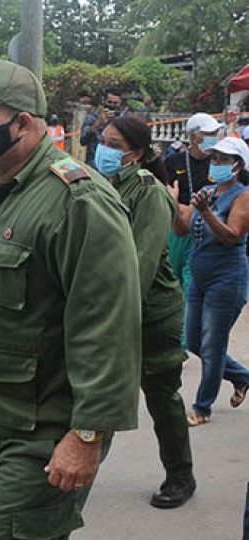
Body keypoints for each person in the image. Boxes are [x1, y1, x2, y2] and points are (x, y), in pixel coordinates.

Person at [0, 58, 142, 538]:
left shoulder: (78, 201)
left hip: (45, 431)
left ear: (23, 123)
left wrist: (87, 434)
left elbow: (107, 324)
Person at [93, 115, 196, 508]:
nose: (104, 150)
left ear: (135, 154)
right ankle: (79, 472)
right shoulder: (101, 187)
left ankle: (181, 476)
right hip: (111, 307)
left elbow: (140, 263)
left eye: (114, 145)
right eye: (102, 141)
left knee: (161, 397)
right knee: (101, 393)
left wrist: (105, 319)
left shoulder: (150, 193)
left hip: (150, 313)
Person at [170, 136, 249, 426]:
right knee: (193, 341)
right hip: (200, 278)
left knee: (213, 346)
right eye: (213, 158)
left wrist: (205, 212)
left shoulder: (243, 196)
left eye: (222, 160)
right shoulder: (205, 191)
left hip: (227, 279)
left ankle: (202, 407)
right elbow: (180, 230)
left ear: (238, 165)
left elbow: (231, 236)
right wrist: (172, 203)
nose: (214, 164)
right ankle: (242, 377)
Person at [166, 113, 227, 345]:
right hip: (176, 228)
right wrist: (183, 209)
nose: (213, 138)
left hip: (206, 230)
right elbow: (166, 192)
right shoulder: (173, 162)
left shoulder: (221, 163)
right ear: (194, 137)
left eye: (214, 134)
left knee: (192, 284)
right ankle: (171, 333)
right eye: (208, 134)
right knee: (172, 282)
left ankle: (184, 341)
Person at [80, 87, 126, 166]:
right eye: (109, 102)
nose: (112, 105)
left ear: (120, 103)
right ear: (104, 101)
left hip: (115, 165)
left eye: (115, 103)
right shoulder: (92, 117)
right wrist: (98, 123)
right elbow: (83, 141)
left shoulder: (125, 120)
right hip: (94, 164)